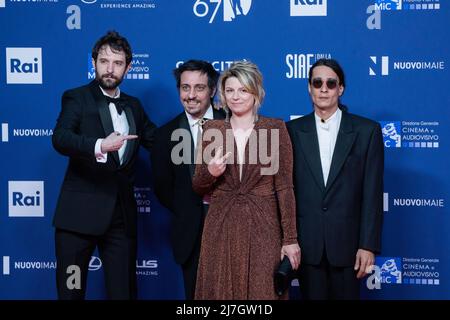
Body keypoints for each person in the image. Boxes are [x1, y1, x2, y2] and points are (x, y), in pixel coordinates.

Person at [52, 30, 156, 300]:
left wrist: (201, 131)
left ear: (128, 67)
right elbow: (61, 138)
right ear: (94, 62)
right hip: (77, 220)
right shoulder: (76, 98)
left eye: (118, 63)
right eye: (103, 61)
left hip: (121, 220)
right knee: (71, 293)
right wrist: (99, 145)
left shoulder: (133, 105)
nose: (110, 69)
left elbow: (159, 142)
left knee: (123, 294)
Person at [192, 60, 300, 299]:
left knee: (262, 293)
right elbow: (198, 186)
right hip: (221, 226)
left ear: (256, 92)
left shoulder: (275, 128)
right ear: (222, 94)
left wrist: (290, 238)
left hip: (263, 227)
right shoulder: (212, 129)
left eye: (243, 90)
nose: (236, 96)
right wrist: (211, 172)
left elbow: (284, 187)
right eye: (229, 90)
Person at [286, 58, 384, 299]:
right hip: (307, 247)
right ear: (309, 87)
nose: (324, 88)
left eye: (331, 83)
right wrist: (287, 240)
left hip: (349, 247)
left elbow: (372, 193)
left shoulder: (367, 131)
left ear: (341, 89)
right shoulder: (291, 131)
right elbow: (285, 190)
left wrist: (368, 245)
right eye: (317, 82)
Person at [151, 60, 224, 299]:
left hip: (234, 230)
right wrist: (190, 207)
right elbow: (163, 189)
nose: (191, 95)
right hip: (190, 236)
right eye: (185, 88)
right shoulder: (164, 135)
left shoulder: (235, 125)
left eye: (199, 88)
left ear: (212, 90)